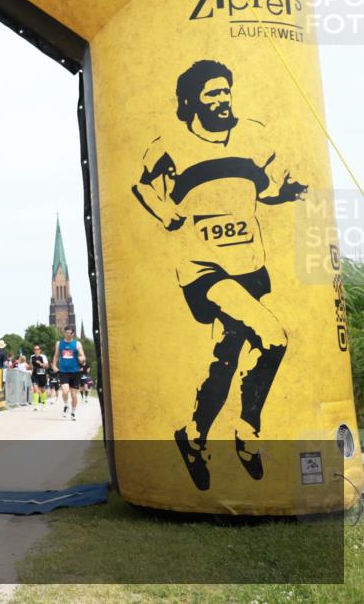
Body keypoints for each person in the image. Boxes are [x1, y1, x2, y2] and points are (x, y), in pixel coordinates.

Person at [132, 60, 304, 490]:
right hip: (203, 269)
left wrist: (285, 193)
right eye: (212, 93)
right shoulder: (170, 143)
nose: (222, 99)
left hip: (250, 265)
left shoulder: (253, 136)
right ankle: (247, 433)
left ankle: (191, 437)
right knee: (274, 336)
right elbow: (143, 185)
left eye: (225, 90)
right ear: (191, 101)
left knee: (224, 362)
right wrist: (165, 211)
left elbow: (263, 190)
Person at [52, 325, 86, 420]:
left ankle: (73, 412)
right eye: (67, 332)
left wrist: (81, 359)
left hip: (75, 372)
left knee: (74, 395)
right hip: (63, 371)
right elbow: (56, 356)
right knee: (65, 391)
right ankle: (66, 405)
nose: (68, 334)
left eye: (70, 333)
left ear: (73, 334)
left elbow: (83, 356)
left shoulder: (77, 344)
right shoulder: (59, 343)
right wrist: (54, 365)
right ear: (65, 333)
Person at [29, 345, 49, 411]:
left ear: (40, 350)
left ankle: (44, 404)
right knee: (35, 389)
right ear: (34, 350)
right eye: (35, 349)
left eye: (37, 349)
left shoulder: (43, 356)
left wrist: (40, 363)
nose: (36, 350)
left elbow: (47, 366)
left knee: (42, 390)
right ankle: (36, 406)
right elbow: (31, 365)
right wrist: (31, 370)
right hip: (35, 375)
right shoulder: (32, 357)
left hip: (42, 375)